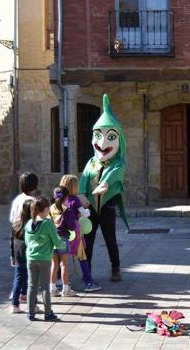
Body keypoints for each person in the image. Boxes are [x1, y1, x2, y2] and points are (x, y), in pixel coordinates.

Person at [79, 94, 129, 282]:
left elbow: (114, 175)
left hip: (107, 206)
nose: (102, 143)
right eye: (98, 136)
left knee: (110, 240)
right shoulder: (91, 162)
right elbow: (83, 179)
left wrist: (104, 184)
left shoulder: (119, 163)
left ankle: (115, 268)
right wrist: (82, 194)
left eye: (110, 137)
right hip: (90, 207)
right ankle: (87, 271)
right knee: (88, 240)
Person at [56, 175, 101, 293]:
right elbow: (85, 214)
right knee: (82, 257)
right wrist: (88, 210)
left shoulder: (57, 198)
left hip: (60, 233)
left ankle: (59, 281)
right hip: (74, 233)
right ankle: (89, 283)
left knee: (61, 258)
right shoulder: (75, 199)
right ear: (74, 187)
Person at [24, 197, 65, 321]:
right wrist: (63, 244)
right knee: (45, 287)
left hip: (31, 258)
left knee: (31, 286)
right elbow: (57, 242)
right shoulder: (47, 223)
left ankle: (30, 313)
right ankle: (48, 313)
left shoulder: (29, 223)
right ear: (46, 209)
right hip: (45, 259)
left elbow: (26, 241)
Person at [49, 186, 79, 297]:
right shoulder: (68, 209)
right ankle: (65, 289)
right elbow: (71, 227)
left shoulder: (51, 208)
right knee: (64, 265)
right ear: (66, 197)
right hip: (63, 239)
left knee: (54, 264)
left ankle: (52, 289)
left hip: (52, 239)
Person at [10, 199, 33, 313]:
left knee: (19, 278)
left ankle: (16, 303)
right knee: (30, 280)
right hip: (29, 256)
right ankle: (31, 304)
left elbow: (11, 242)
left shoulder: (16, 224)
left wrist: (12, 257)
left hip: (18, 256)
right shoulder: (32, 225)